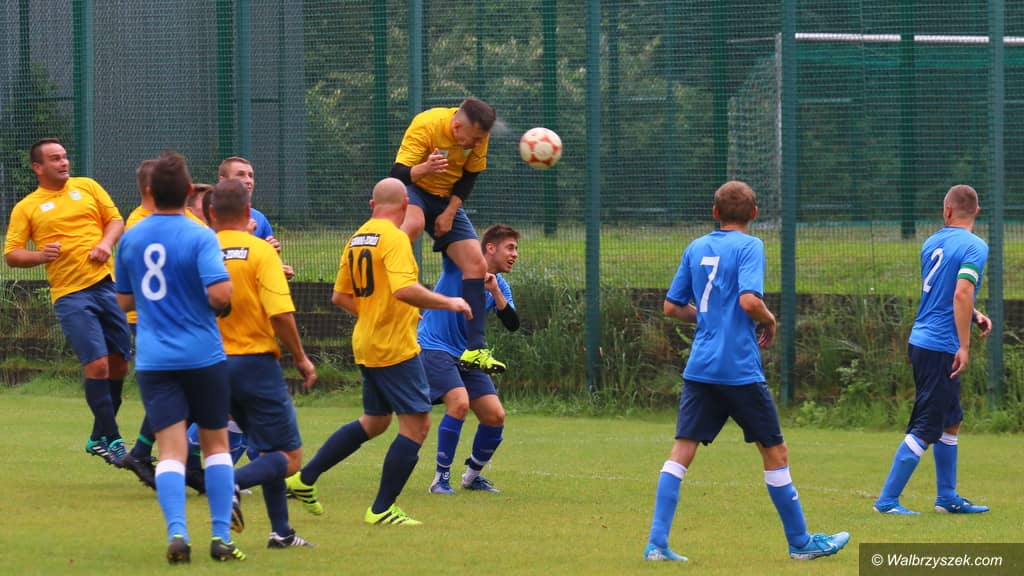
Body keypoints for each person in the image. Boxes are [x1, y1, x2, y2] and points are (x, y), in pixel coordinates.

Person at [644, 181, 850, 562]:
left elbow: (671, 307)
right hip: (738, 369)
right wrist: (769, 319)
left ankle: (657, 544)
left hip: (701, 368)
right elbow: (749, 301)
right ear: (754, 214)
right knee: (775, 451)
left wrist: (707, 319)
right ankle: (801, 542)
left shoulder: (696, 247)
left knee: (681, 452)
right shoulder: (751, 246)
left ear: (715, 213)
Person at [285, 177, 471, 526]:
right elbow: (404, 289)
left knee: (376, 421)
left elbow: (340, 296)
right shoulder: (395, 238)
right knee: (416, 426)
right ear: (405, 206)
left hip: (366, 342)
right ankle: (382, 509)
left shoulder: (357, 238)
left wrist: (379, 312)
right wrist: (449, 302)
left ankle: (303, 479)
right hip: (393, 347)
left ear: (372, 205)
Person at [114, 151, 243, 563]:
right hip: (202, 354)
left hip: (155, 358)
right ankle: (220, 536)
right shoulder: (200, 235)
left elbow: (122, 300)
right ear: (190, 191)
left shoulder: (132, 237)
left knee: (170, 450)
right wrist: (209, 301)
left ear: (149, 192)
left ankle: (178, 533)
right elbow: (220, 294)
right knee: (216, 444)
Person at [4, 138, 133, 468]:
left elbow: (115, 220)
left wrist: (105, 244)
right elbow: (12, 254)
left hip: (106, 285)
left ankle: (98, 436)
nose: (63, 162)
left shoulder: (87, 186)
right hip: (70, 295)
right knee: (97, 365)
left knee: (120, 362)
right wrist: (39, 255)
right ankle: (114, 440)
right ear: (38, 167)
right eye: (54, 158)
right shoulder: (27, 207)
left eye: (64, 156)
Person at [207, 178, 318, 548]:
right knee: (290, 457)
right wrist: (301, 358)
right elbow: (281, 313)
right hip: (254, 363)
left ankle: (281, 533)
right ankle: (230, 483)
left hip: (211, 365)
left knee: (269, 450)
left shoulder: (200, 249)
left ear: (211, 214)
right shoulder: (260, 251)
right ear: (248, 212)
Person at [873, 184, 992, 516]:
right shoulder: (975, 246)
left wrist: (975, 315)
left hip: (924, 341)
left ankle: (947, 497)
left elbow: (944, 294)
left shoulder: (931, 243)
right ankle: (887, 502)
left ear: (947, 210)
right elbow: (960, 294)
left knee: (951, 420)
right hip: (941, 346)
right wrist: (964, 345)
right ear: (977, 212)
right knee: (927, 425)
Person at [389, 97, 505, 375]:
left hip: (446, 199)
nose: (478, 144)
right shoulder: (426, 124)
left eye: (481, 139)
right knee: (413, 224)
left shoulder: (478, 136)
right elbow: (397, 175)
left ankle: (475, 349)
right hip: (415, 188)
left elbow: (469, 177)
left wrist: (450, 211)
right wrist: (425, 168)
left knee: (476, 264)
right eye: (474, 139)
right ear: (456, 127)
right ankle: (390, 288)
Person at [122, 162, 208, 491]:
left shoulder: (185, 222)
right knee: (185, 390)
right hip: (154, 319)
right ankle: (162, 457)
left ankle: (160, 456)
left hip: (181, 318)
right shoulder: (139, 223)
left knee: (186, 392)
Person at [422, 224, 521, 495]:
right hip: (435, 347)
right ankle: (440, 480)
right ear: (490, 248)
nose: (515, 254)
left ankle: (471, 477)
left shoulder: (500, 284)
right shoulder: (459, 266)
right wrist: (446, 215)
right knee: (459, 403)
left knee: (495, 416)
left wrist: (495, 291)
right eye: (510, 248)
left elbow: (512, 323)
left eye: (516, 249)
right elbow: (446, 243)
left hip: (468, 356)